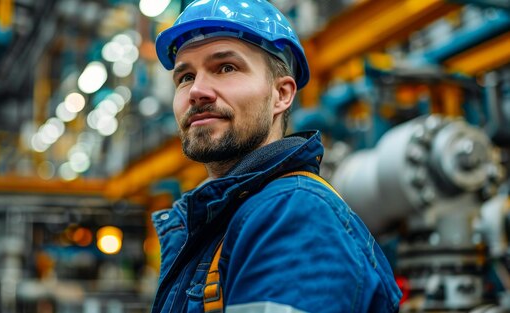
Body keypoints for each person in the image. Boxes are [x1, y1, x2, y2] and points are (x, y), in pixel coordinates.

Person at [150, 0, 402, 312]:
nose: (196, 91)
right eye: (185, 76)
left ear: (281, 94)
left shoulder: (293, 215)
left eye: (226, 67)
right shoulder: (224, 220)